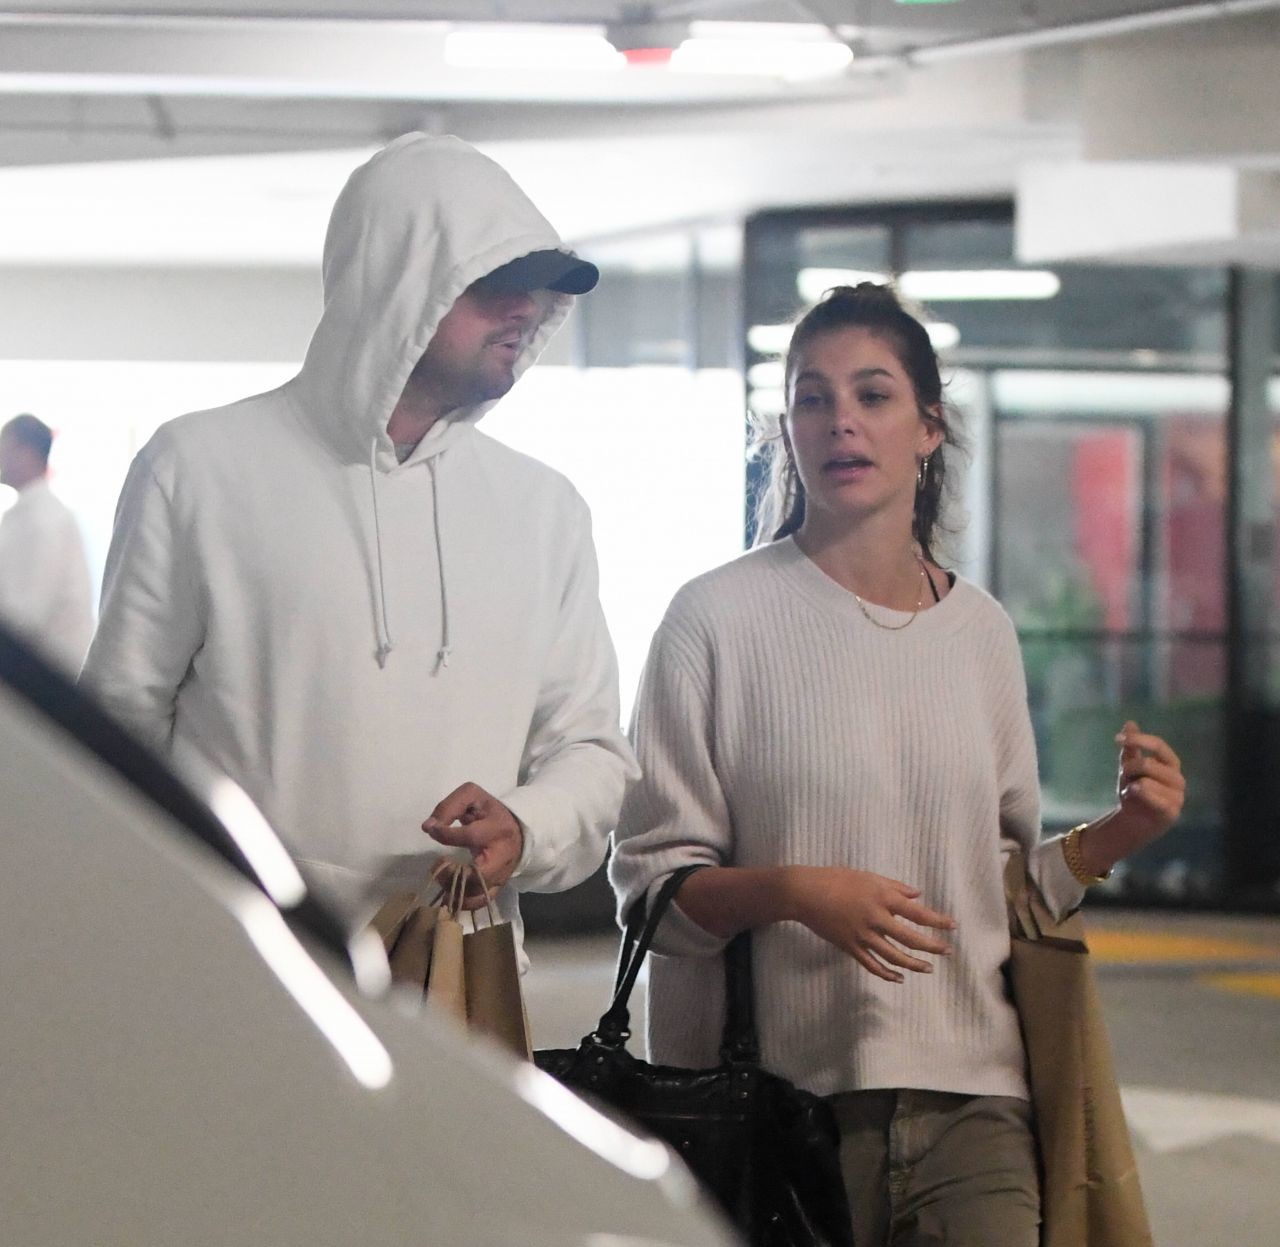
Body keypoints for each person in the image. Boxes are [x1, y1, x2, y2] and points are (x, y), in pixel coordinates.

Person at [609, 283, 1186, 1246]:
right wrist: (797, 891)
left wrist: (1122, 831)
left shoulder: (982, 632)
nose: (841, 420)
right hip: (776, 1109)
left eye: (872, 395)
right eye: (812, 397)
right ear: (787, 428)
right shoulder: (712, 620)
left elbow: (1003, 892)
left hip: (976, 1099)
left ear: (928, 427)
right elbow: (652, 897)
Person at [82, 133, 638, 951]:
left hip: (460, 971)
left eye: (538, 287)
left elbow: (590, 750)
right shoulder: (197, 467)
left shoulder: (545, 509)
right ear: (401, 283)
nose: (525, 309)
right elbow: (115, 736)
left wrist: (526, 824)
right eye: (495, 281)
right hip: (244, 965)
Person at [0, 413, 94, 674]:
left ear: (27, 453)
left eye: (4, 447)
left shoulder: (46, 519)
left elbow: (26, 616)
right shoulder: (24, 515)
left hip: (47, 678)